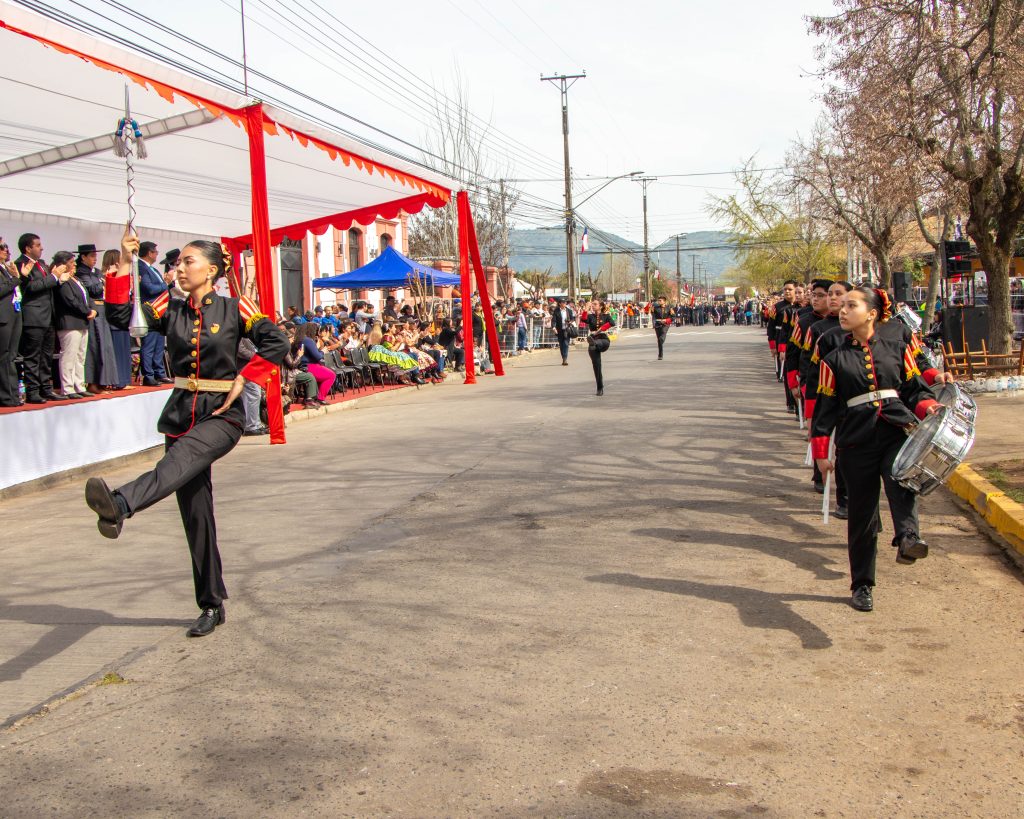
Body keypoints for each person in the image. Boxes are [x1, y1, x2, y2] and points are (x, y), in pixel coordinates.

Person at [84, 234, 288, 637]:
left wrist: (247, 377)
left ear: (211, 270)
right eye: (178, 263)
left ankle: (122, 503)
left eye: (188, 262)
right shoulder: (169, 306)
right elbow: (120, 318)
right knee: (196, 513)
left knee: (177, 461)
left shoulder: (236, 307)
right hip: (180, 414)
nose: (179, 268)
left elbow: (277, 341)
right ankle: (211, 603)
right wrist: (124, 261)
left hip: (221, 416)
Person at [811, 286, 940, 613]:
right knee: (862, 515)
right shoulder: (833, 359)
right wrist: (821, 454)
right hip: (856, 441)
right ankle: (862, 585)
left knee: (900, 479)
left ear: (871, 314)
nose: (842, 310)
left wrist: (929, 407)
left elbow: (914, 390)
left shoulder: (897, 347)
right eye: (842, 306)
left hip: (895, 429)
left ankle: (908, 537)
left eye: (851, 305)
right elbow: (825, 411)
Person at [16, 233, 68, 403]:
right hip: (34, 316)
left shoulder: (42, 264)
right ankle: (32, 391)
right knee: (33, 356)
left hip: (48, 315)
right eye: (37, 245)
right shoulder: (20, 264)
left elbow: (47, 285)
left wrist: (58, 280)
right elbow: (30, 287)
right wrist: (53, 277)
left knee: (46, 356)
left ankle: (46, 388)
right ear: (27, 248)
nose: (42, 248)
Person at [75, 244, 119, 394]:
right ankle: (92, 382)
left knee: (105, 347)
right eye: (92, 256)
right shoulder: (81, 272)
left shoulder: (96, 272)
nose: (95, 259)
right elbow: (93, 289)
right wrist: (105, 280)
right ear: (83, 257)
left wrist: (105, 280)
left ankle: (103, 381)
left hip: (102, 309)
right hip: (92, 310)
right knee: (93, 347)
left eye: (96, 256)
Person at [54, 250, 96, 399]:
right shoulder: (63, 280)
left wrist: (93, 309)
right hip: (69, 322)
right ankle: (68, 387)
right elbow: (70, 301)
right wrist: (87, 311)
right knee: (69, 356)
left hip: (82, 322)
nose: (74, 265)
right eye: (71, 262)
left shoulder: (76, 279)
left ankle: (79, 385)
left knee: (80, 357)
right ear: (63, 264)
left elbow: (87, 297)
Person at [136, 241, 172, 386]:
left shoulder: (153, 269)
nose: (157, 254)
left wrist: (167, 284)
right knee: (149, 344)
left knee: (159, 344)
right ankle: (148, 375)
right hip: (149, 309)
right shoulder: (141, 267)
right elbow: (149, 288)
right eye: (155, 252)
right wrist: (165, 283)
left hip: (160, 310)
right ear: (149, 253)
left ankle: (159, 372)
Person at [102, 249, 133, 390]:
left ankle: (125, 380)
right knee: (118, 351)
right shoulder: (107, 276)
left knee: (124, 350)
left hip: (123, 315)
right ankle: (119, 381)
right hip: (114, 316)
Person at [0, 239, 24, 406]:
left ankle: (13, 394)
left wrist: (15, 277)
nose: (6, 250)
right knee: (4, 356)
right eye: (2, 247)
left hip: (14, 313)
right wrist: (15, 278)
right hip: (3, 316)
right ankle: (6, 396)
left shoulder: (5, 268)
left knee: (11, 357)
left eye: (6, 247)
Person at [587, 301, 614, 396]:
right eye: (592, 304)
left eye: (595, 304)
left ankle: (594, 343)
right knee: (596, 366)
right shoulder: (590, 316)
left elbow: (612, 323)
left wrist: (600, 329)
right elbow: (583, 319)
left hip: (603, 339)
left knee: (599, 343)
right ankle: (600, 387)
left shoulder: (606, 316)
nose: (593, 306)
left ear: (601, 306)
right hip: (593, 340)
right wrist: (586, 308)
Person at [551, 296, 573, 365]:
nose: (564, 303)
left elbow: (573, 319)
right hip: (559, 330)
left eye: (565, 302)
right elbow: (554, 320)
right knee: (561, 345)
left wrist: (570, 322)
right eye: (563, 302)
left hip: (567, 329)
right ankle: (563, 357)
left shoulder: (569, 311)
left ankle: (565, 359)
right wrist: (554, 328)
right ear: (560, 303)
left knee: (566, 344)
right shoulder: (556, 311)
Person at [651, 295, 672, 360]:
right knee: (659, 340)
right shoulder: (655, 308)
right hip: (658, 324)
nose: (659, 301)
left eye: (660, 300)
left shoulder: (669, 308)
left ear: (664, 301)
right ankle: (660, 355)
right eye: (658, 300)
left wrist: (666, 320)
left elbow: (673, 317)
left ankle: (662, 340)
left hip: (665, 324)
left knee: (662, 335)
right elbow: (652, 315)